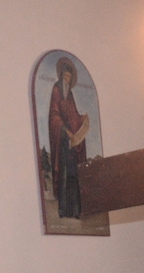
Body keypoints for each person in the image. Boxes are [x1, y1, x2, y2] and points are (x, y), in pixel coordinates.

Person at [48, 56, 89, 219]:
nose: (67, 80)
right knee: (64, 175)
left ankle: (75, 211)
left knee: (74, 175)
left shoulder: (70, 94)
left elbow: (73, 116)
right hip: (62, 141)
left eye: (69, 78)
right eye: (65, 76)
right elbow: (54, 115)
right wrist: (65, 130)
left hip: (72, 143)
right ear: (61, 75)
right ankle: (63, 210)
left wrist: (82, 120)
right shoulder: (56, 90)